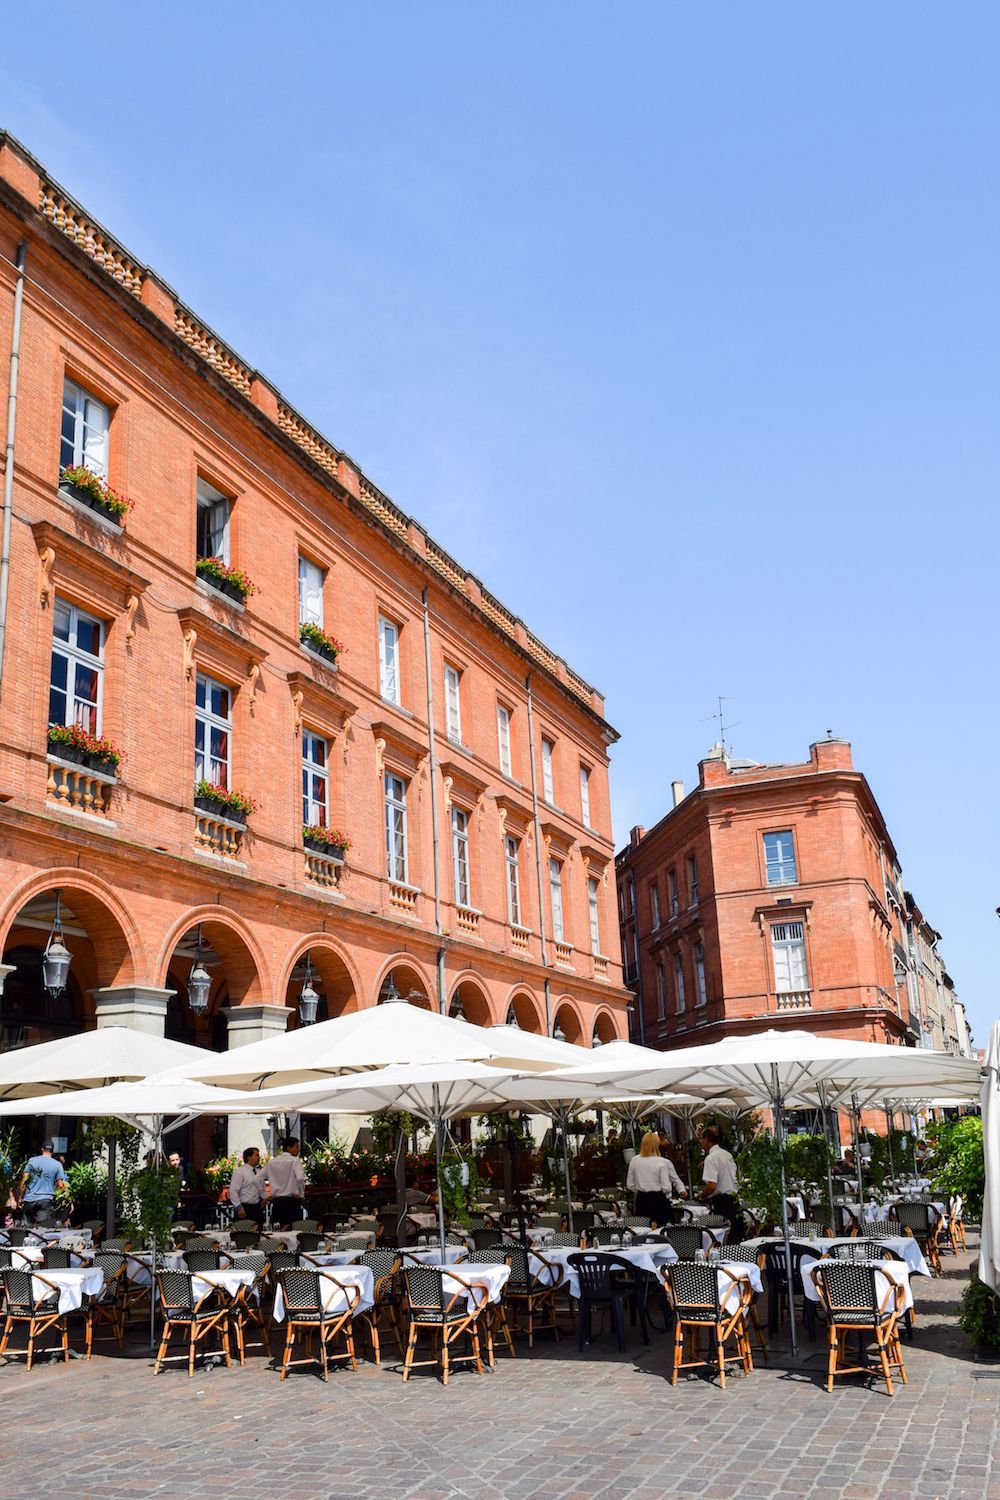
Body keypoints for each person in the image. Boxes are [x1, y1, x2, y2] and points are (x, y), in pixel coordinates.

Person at [625, 1131, 687, 1227]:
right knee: (661, 1230)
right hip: (658, 1200)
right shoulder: (662, 1162)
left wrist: (641, 1189)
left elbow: (629, 1184)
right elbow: (667, 1187)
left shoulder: (634, 1160)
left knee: (642, 1230)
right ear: (657, 1144)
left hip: (642, 1200)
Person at [698, 1126, 746, 1241]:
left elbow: (712, 1185)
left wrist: (701, 1196)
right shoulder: (727, 1154)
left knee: (723, 1238)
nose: (700, 1142)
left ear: (706, 1139)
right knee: (735, 1238)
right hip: (734, 1200)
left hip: (722, 1203)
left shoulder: (711, 1158)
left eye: (701, 1138)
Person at [19, 1139, 69, 1226]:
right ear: (52, 1151)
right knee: (42, 1230)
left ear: (42, 1149)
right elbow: (60, 1185)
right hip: (45, 1201)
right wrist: (65, 1199)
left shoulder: (32, 1161)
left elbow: (24, 1180)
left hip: (29, 1199)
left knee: (25, 1229)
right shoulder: (57, 1165)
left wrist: (20, 1197)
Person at [262, 1136, 306, 1227]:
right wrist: (301, 1195)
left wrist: (265, 1196)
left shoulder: (272, 1162)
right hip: (292, 1203)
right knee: (294, 1233)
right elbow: (300, 1178)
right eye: (296, 1147)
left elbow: (257, 1179)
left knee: (278, 1233)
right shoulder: (295, 1160)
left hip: (277, 1203)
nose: (298, 1150)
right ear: (288, 1148)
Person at [228, 1147, 266, 1227]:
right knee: (244, 1235)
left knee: (259, 1234)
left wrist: (264, 1198)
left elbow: (262, 1188)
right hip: (244, 1208)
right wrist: (239, 1207)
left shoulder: (259, 1172)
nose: (259, 1157)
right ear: (249, 1157)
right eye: (256, 1155)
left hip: (257, 1208)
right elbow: (233, 1191)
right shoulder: (240, 1172)